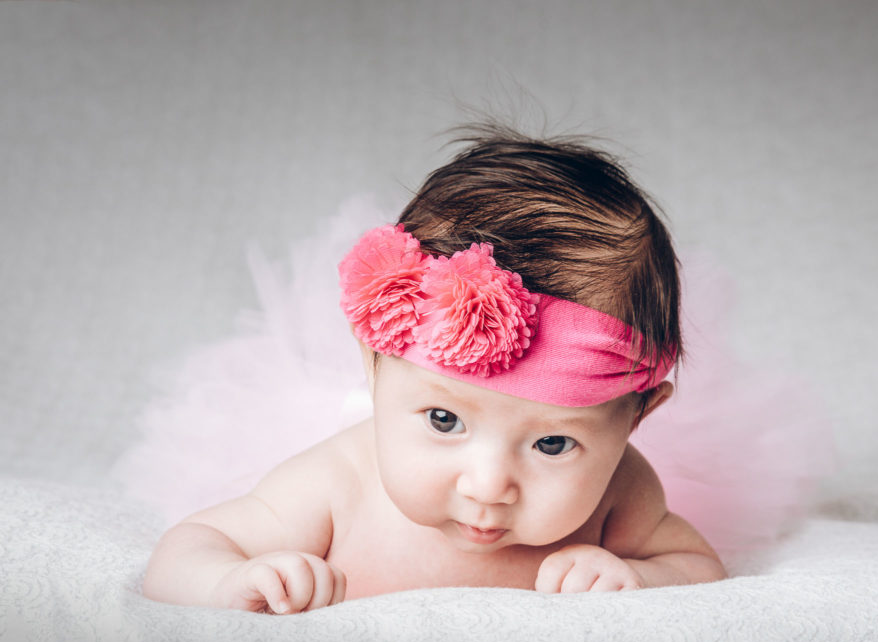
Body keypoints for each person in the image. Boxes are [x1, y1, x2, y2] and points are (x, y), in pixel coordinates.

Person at [141, 125, 730, 613]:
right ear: (374, 370)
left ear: (636, 418)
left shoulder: (620, 493)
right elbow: (192, 547)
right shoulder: (339, 484)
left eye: (553, 443)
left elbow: (698, 565)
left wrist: (638, 578)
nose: (488, 485)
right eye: (444, 419)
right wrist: (227, 583)